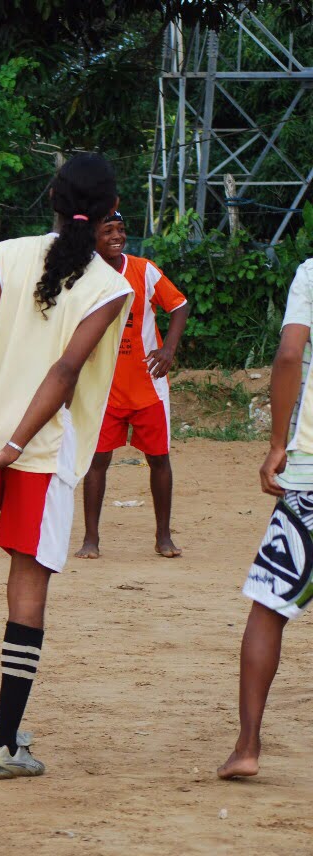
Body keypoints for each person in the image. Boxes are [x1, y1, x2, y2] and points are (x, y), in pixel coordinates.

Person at [0, 153, 132, 778]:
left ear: (50, 195)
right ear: (108, 213)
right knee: (27, 587)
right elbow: (65, 373)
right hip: (38, 451)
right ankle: (5, 743)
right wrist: (14, 448)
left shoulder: (8, 253)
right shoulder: (111, 286)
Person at [217, 257, 313, 781]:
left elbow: (289, 354)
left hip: (311, 471)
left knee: (269, 607)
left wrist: (277, 444)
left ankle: (248, 745)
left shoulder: (312, 273)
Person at [76, 211, 189, 559]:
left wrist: (168, 348)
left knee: (159, 459)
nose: (116, 236)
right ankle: (90, 539)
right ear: (91, 236)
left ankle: (163, 537)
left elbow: (180, 305)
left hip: (147, 385)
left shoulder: (143, 269)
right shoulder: (81, 274)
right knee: (97, 461)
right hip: (103, 387)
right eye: (107, 229)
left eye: (121, 230)